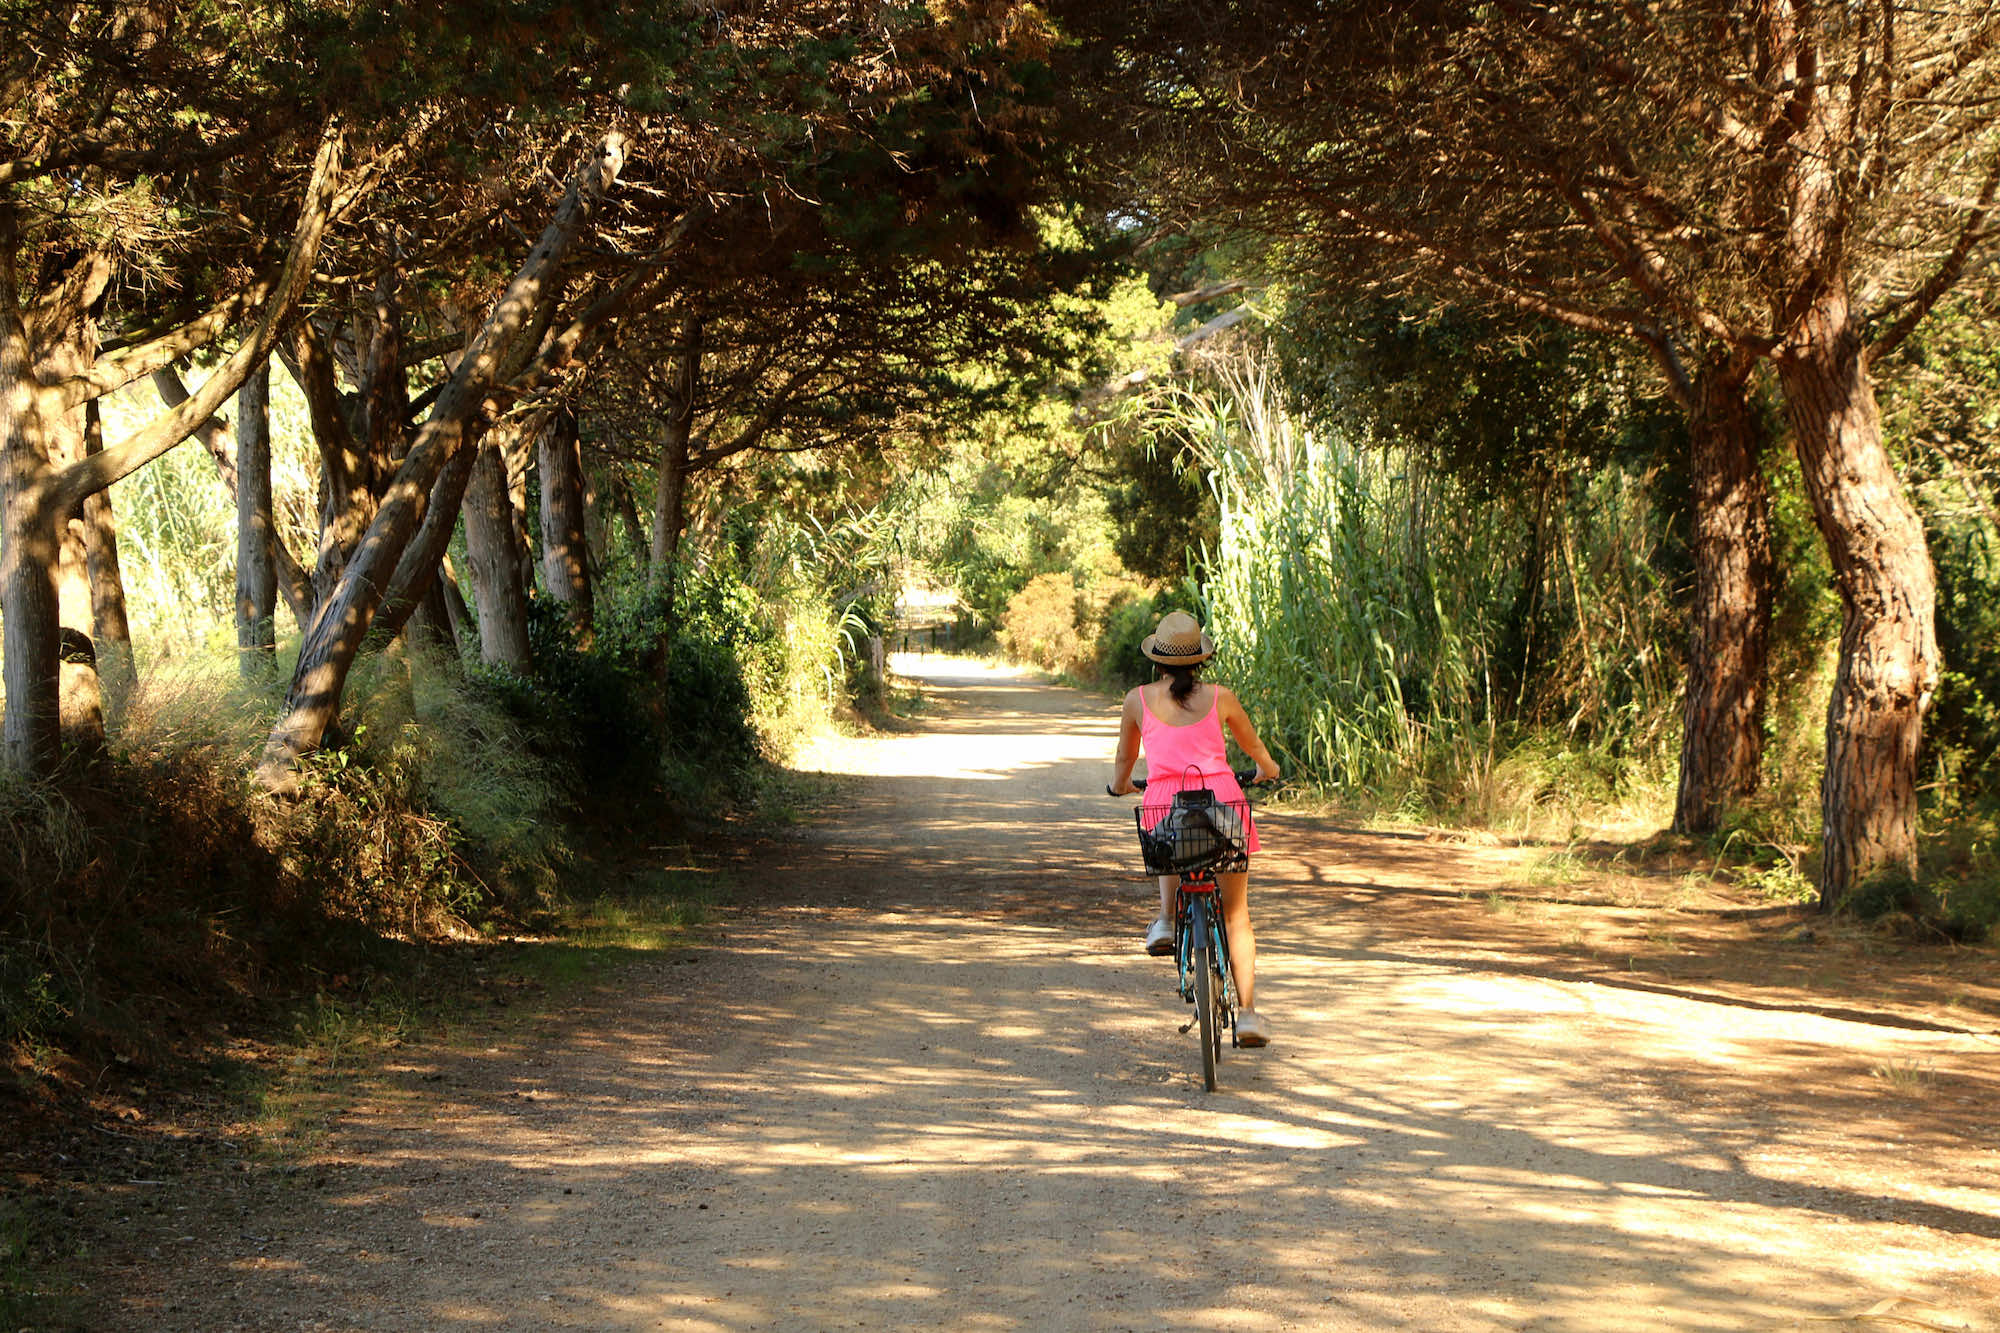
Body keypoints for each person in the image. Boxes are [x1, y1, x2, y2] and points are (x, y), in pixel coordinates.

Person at [1107, 610, 1281, 1047]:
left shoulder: (1137, 699)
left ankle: (1167, 919)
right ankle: (1248, 1015)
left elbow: (1125, 763)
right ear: (1200, 660)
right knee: (1237, 914)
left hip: (1167, 800)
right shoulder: (1222, 697)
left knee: (1167, 829)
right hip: (1223, 801)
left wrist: (1121, 786)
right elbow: (1253, 746)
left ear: (1158, 660)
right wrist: (1266, 768)